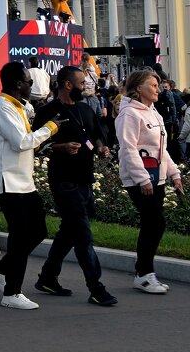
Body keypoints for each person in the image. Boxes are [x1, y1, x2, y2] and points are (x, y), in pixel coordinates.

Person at [33, 65, 116, 305]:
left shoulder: (85, 109)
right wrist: (60, 148)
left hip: (85, 179)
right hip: (63, 180)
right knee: (82, 234)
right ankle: (96, 287)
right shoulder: (48, 111)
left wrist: (101, 147)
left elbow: (96, 135)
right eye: (81, 83)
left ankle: (48, 277)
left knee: (70, 230)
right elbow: (36, 145)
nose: (85, 86)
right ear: (67, 84)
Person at [0, 61, 59, 310]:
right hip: (8, 180)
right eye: (29, 81)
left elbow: (26, 142)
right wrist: (51, 128)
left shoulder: (18, 106)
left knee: (38, 231)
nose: (31, 84)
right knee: (20, 236)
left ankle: (1, 269)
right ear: (18, 84)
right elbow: (20, 142)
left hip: (23, 180)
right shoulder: (2, 106)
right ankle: (11, 292)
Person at [116, 68, 183, 293]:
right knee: (155, 223)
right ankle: (144, 274)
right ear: (138, 88)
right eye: (153, 85)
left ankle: (144, 272)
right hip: (140, 179)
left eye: (158, 85)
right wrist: (142, 178)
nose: (158, 89)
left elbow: (161, 150)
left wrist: (174, 174)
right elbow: (128, 149)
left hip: (158, 177)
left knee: (151, 223)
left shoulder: (154, 113)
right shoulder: (129, 114)